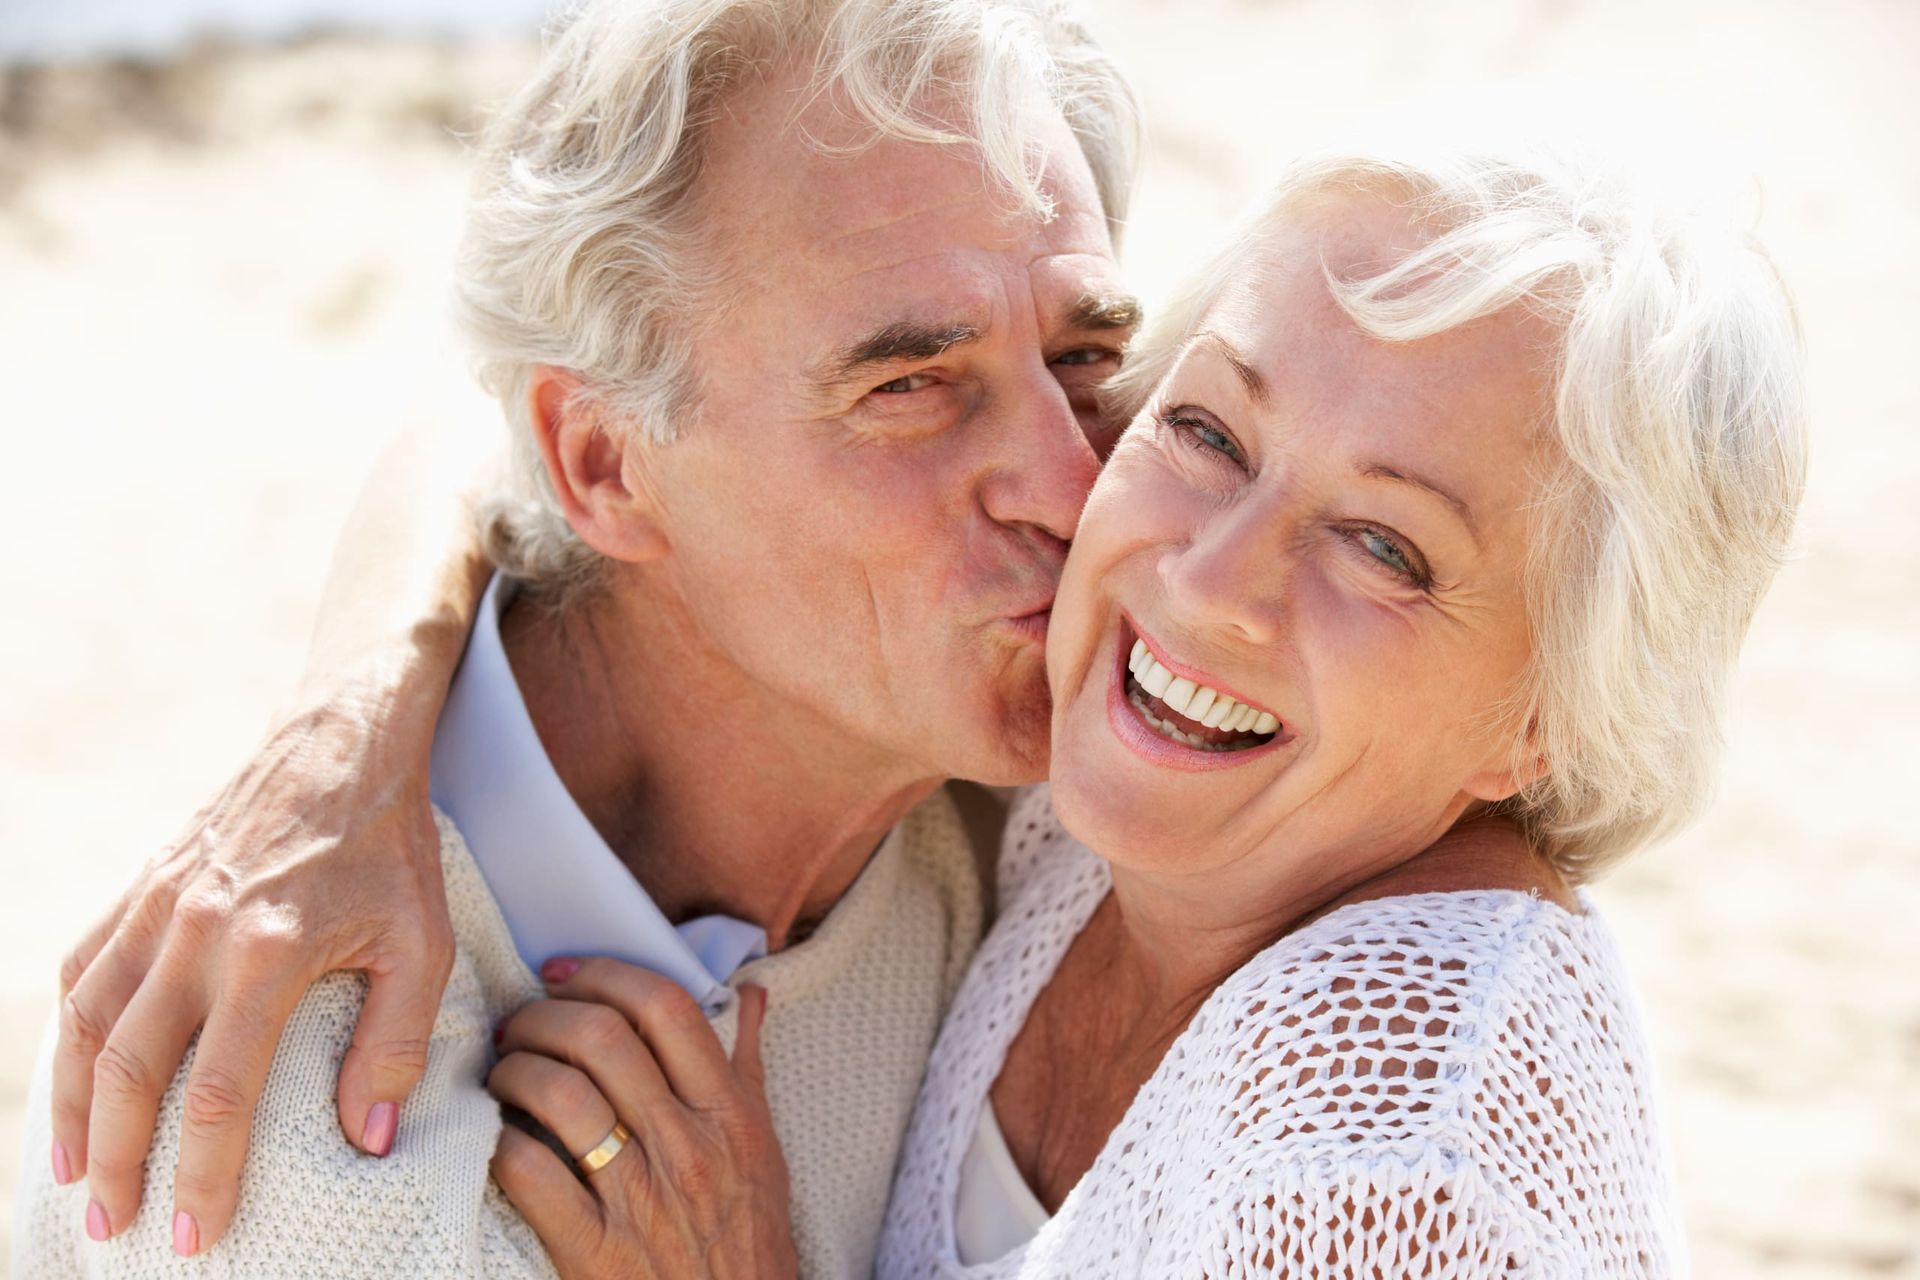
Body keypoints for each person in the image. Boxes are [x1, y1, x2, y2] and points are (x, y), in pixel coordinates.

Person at [485, 128, 1810, 1274]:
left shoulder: (1393, 1156)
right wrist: (359, 734)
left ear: (1551, 719)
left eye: (1385, 548)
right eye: (1210, 433)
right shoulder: (1100, 792)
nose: (1210, 577)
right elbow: (526, 439)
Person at [13, 0, 1146, 1274]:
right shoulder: (305, 1123)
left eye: (1087, 356)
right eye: (909, 387)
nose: (1072, 486)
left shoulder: (1085, 807)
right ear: (602, 461)